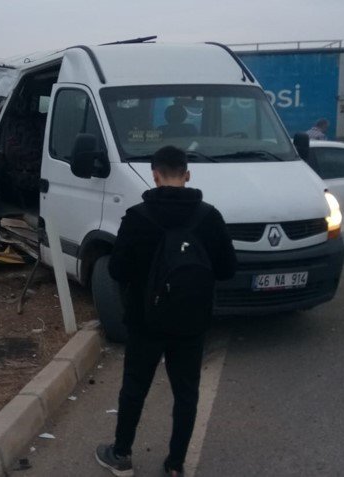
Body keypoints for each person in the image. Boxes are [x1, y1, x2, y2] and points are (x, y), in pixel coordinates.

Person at [95, 145, 237, 477]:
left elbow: (117, 270)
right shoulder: (209, 217)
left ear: (155, 175)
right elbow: (228, 269)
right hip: (192, 321)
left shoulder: (137, 217)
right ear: (187, 175)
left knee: (134, 387)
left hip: (145, 321)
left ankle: (121, 455)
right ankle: (175, 465)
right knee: (186, 393)